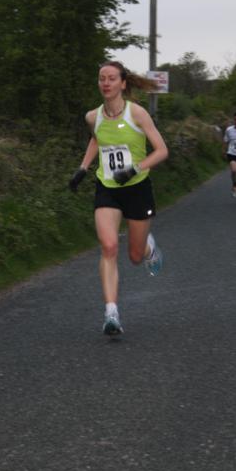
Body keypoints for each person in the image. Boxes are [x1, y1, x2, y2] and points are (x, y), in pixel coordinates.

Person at [69, 61, 168, 336]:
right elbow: (97, 139)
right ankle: (111, 312)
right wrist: (82, 168)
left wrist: (135, 168)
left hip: (137, 188)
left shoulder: (137, 114)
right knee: (109, 246)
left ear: (123, 83)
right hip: (108, 187)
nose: (106, 83)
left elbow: (161, 151)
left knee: (134, 257)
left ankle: (147, 247)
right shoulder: (93, 116)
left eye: (112, 78)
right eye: (102, 78)